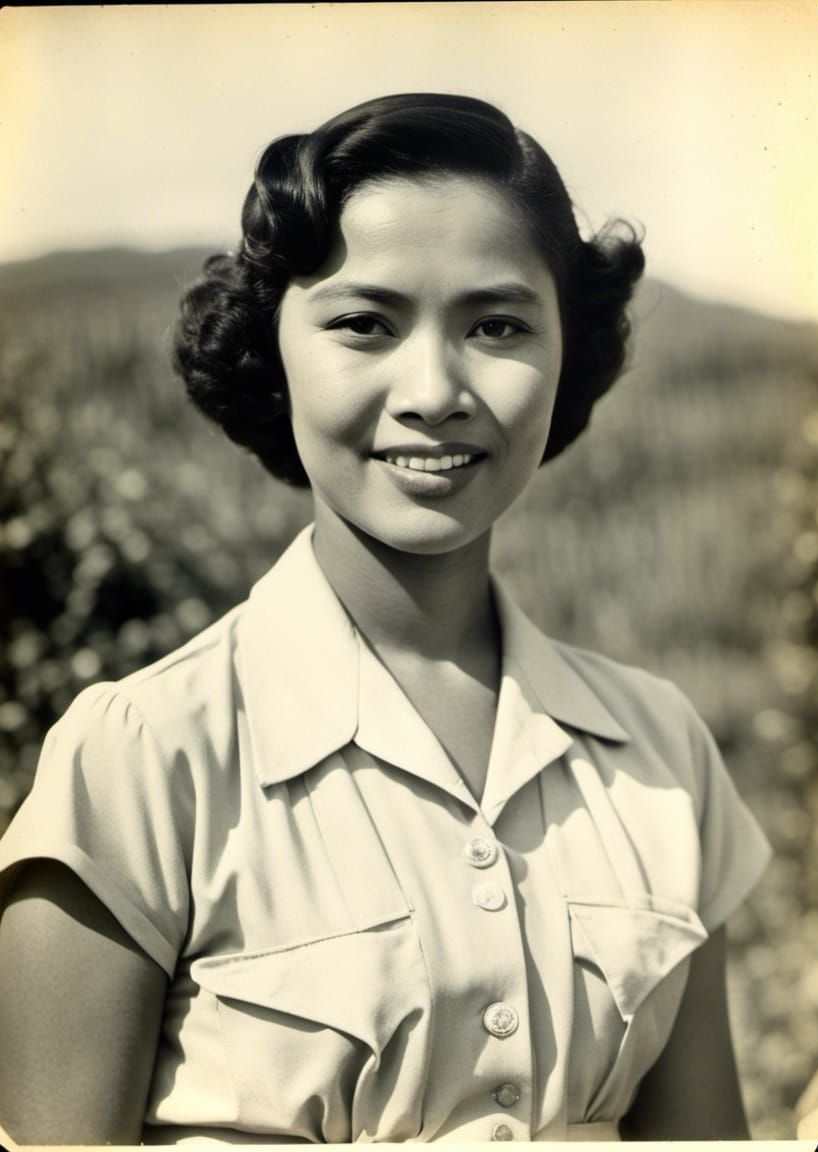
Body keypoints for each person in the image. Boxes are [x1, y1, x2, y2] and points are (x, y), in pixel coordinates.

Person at [0, 93, 771, 1145]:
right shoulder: (142, 759)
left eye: (496, 325)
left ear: (565, 356)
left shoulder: (661, 756)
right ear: (273, 351)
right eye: (364, 324)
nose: (434, 390)